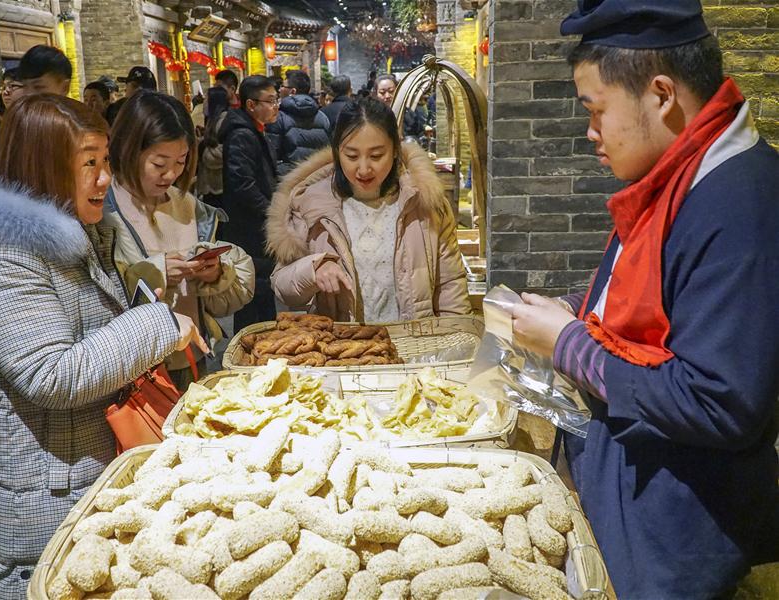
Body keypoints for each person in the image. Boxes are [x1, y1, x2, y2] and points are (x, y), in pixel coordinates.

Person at [511, 1, 779, 598]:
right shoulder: (678, 174)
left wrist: (569, 343)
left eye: (596, 110)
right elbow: (655, 296)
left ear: (660, 94)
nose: (590, 132)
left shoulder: (738, 199)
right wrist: (574, 307)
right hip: (631, 509)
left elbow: (720, 401)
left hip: (676, 541)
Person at [0, 94, 207, 599]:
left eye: (106, 161)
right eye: (88, 164)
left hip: (81, 491)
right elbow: (51, 375)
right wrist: (158, 325)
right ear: (43, 168)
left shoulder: (84, 239)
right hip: (33, 522)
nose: (104, 179)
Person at [266, 97, 470, 322]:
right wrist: (313, 269)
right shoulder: (311, 203)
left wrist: (457, 341)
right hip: (342, 349)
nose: (363, 169)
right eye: (351, 156)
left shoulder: (424, 202)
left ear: (395, 149)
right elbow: (282, 286)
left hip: (415, 349)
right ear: (336, 151)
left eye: (376, 156)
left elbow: (450, 287)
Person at [106, 90, 254, 386]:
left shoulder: (189, 206)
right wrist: (154, 273)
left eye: (181, 161)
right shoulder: (103, 213)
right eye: (159, 164)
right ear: (127, 149)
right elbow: (97, 299)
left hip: (191, 358)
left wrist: (215, 274)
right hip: (133, 370)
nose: (171, 174)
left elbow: (235, 286)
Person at [219, 75, 280, 331]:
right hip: (248, 227)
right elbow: (242, 184)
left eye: (277, 100)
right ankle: (250, 347)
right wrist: (271, 212)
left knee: (261, 289)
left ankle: (266, 342)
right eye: (270, 101)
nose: (276, 106)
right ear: (251, 105)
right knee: (251, 289)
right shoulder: (242, 135)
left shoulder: (253, 130)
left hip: (257, 222)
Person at [266, 69, 332, 176]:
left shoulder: (277, 117)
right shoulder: (323, 117)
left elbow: (271, 155)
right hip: (316, 179)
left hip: (287, 182)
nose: (280, 89)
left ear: (293, 91)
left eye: (283, 86)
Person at [197, 86, 231, 216]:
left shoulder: (224, 120)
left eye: (206, 100)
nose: (204, 103)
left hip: (219, 186)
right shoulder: (212, 120)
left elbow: (225, 152)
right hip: (211, 185)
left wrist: (203, 147)